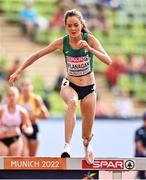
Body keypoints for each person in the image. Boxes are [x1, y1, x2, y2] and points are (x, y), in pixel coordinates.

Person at [9, 9, 112, 164]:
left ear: (81, 24)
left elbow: (108, 61)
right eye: (69, 25)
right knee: (71, 103)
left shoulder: (90, 39)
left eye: (75, 25)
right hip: (70, 85)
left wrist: (91, 50)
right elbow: (38, 54)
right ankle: (67, 146)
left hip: (89, 88)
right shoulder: (62, 42)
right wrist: (19, 70)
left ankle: (87, 144)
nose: (72, 29)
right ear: (65, 26)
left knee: (87, 132)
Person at [18, 79, 49, 156]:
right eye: (23, 86)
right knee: (24, 153)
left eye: (27, 85)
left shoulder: (36, 99)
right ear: (21, 88)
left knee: (32, 157)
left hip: (34, 127)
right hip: (22, 127)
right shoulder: (18, 99)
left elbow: (45, 115)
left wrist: (33, 116)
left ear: (31, 87)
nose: (25, 88)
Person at [0, 87, 33, 156]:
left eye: (13, 95)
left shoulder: (22, 112)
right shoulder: (2, 110)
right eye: (9, 95)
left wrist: (26, 129)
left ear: (17, 97)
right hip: (2, 140)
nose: (11, 98)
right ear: (6, 97)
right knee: (2, 163)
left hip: (15, 138)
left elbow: (30, 128)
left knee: (14, 163)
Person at [134, 112, 146, 179]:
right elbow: (138, 146)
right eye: (145, 119)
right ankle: (140, 176)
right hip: (141, 154)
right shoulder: (139, 131)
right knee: (142, 155)